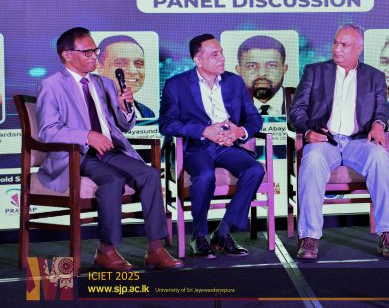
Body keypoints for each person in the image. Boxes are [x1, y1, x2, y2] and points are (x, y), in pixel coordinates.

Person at [36, 27, 182, 270]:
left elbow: (124, 126)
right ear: (67, 55)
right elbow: (47, 131)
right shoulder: (51, 86)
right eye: (88, 52)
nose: (94, 56)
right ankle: (106, 250)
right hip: (77, 155)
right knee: (112, 181)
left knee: (149, 174)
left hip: (111, 150)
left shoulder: (104, 83)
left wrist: (126, 108)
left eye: (95, 51)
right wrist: (87, 136)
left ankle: (156, 249)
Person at [288, 23, 389, 261]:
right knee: (312, 160)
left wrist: (379, 124)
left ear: (359, 49)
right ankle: (309, 237)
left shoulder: (375, 76)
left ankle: (387, 234)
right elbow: (296, 111)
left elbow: (382, 110)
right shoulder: (314, 71)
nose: (337, 49)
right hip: (324, 140)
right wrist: (307, 132)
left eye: (344, 45)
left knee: (379, 158)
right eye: (335, 43)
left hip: (358, 141)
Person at [160, 34, 264, 258]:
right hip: (196, 146)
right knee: (205, 175)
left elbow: (255, 119)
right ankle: (198, 235)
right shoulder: (176, 85)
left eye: (222, 53)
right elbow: (167, 124)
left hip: (227, 146)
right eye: (214, 54)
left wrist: (239, 132)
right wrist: (203, 130)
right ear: (198, 60)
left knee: (255, 169)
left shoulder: (234, 82)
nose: (222, 58)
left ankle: (223, 232)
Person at [97, 35, 155, 118]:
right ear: (100, 68)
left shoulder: (148, 113)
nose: (132, 71)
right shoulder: (90, 109)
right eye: (120, 63)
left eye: (138, 63)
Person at [235, 35, 288, 116]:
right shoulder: (225, 103)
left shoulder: (303, 100)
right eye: (251, 66)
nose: (262, 74)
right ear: (239, 70)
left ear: (284, 69)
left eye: (271, 65)